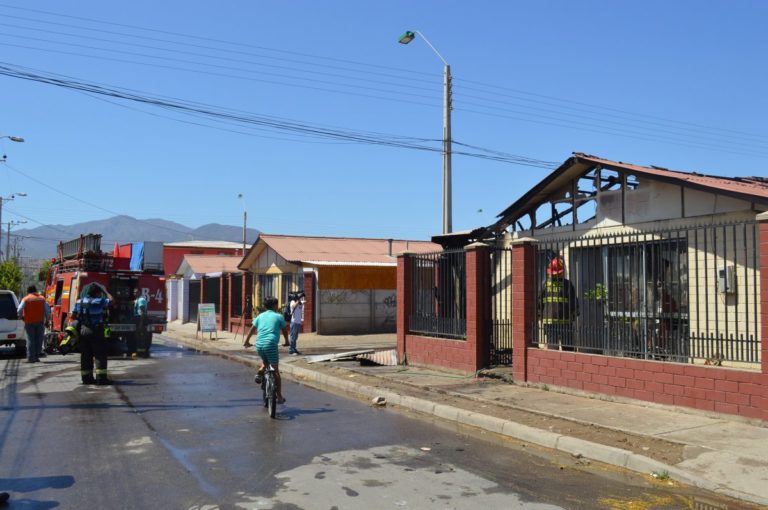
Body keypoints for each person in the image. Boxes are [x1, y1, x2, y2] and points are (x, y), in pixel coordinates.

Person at [242, 296, 286, 404]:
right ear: (275, 305)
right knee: (276, 372)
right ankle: (279, 396)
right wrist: (287, 342)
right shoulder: (278, 316)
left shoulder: (260, 316)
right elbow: (284, 330)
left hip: (259, 345)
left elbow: (252, 329)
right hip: (271, 344)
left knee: (265, 361)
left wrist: (246, 342)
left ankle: (261, 371)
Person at [75, 282, 114, 385]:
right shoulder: (99, 301)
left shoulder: (79, 302)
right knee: (100, 354)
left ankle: (86, 378)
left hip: (84, 330)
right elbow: (111, 300)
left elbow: (75, 315)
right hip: (96, 330)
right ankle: (101, 378)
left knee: (86, 355)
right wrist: (105, 291)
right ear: (97, 293)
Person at [539, 257, 579, 351]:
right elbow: (573, 301)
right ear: (562, 272)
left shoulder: (544, 285)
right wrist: (575, 313)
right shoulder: (567, 284)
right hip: (565, 321)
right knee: (568, 348)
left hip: (550, 322)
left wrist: (540, 315)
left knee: (553, 348)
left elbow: (539, 302)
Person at [17, 285, 51, 363]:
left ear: (28, 291)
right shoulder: (42, 299)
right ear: (35, 290)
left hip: (29, 322)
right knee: (39, 340)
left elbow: (19, 309)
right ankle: (36, 356)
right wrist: (47, 320)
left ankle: (30, 357)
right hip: (40, 322)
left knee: (30, 339)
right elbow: (47, 310)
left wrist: (21, 317)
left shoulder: (26, 299)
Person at [131, 288, 150, 358]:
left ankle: (142, 352)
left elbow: (142, 312)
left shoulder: (141, 300)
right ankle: (140, 352)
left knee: (141, 336)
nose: (134, 293)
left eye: (136, 292)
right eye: (134, 292)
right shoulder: (138, 300)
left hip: (141, 319)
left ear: (139, 293)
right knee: (138, 336)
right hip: (138, 319)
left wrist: (141, 323)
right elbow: (134, 302)